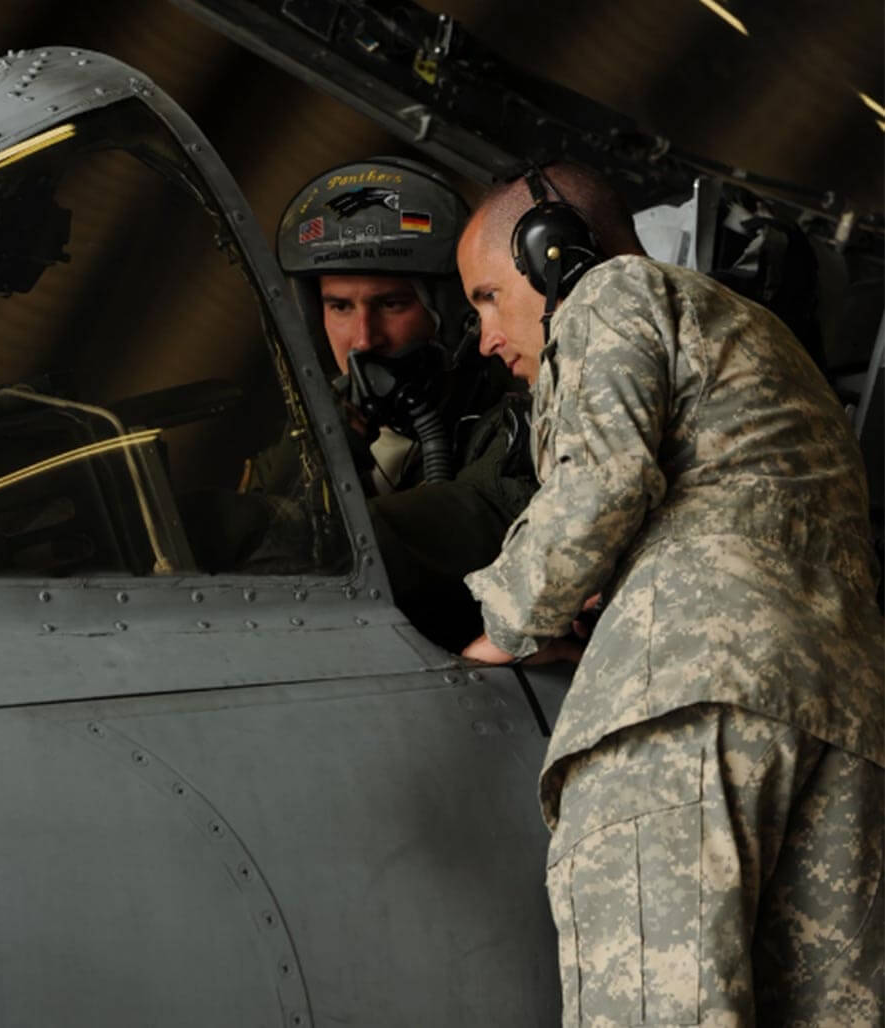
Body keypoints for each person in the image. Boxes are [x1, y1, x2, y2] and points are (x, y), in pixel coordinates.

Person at [456, 162, 884, 1024]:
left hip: (686, 712)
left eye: (487, 298)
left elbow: (602, 484)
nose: (483, 338)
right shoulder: (759, 340)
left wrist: (500, 626)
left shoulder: (611, 292)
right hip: (841, 723)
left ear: (553, 256)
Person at [268, 157, 537, 649]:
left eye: (391, 304)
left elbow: (469, 525)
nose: (363, 339)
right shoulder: (314, 431)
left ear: (454, 312)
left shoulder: (518, 422)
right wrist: (328, 447)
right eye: (340, 307)